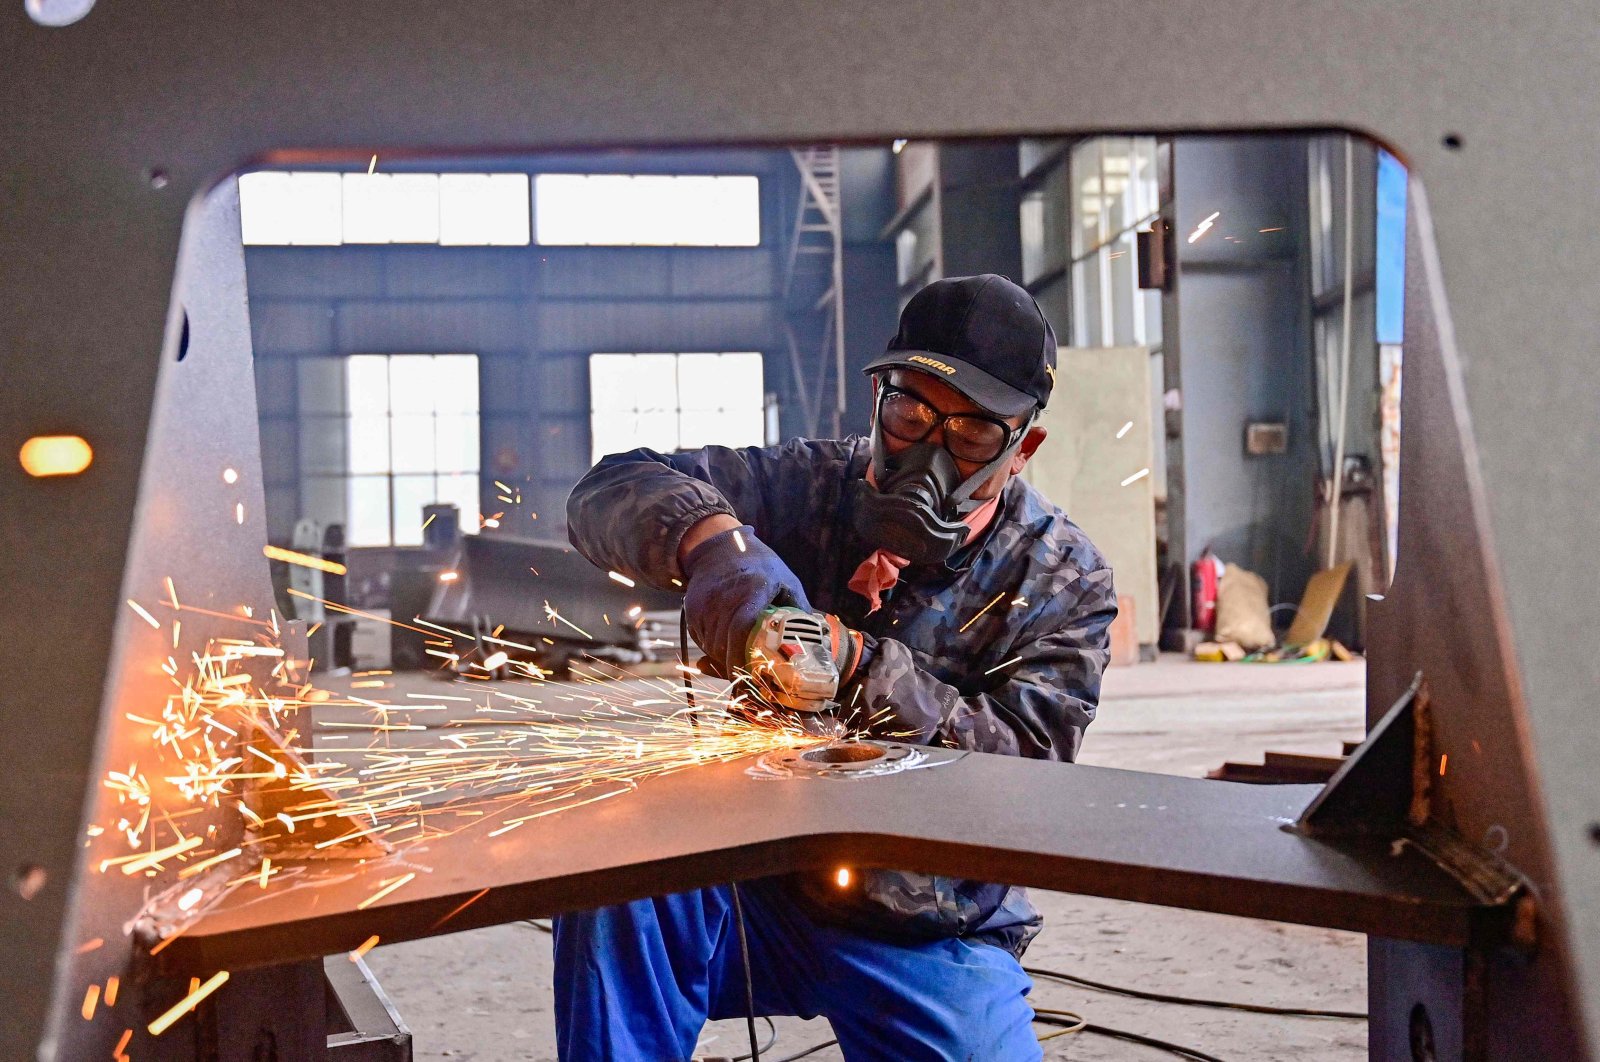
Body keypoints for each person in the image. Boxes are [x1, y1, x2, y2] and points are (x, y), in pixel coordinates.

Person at [556, 273, 1117, 1061]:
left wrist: (858, 664)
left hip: (926, 927)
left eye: (972, 436)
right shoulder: (805, 484)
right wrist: (714, 543)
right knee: (621, 876)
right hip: (753, 889)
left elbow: (1027, 769)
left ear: (1023, 446)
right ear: (881, 399)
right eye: (911, 411)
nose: (929, 449)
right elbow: (608, 487)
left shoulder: (1060, 574)